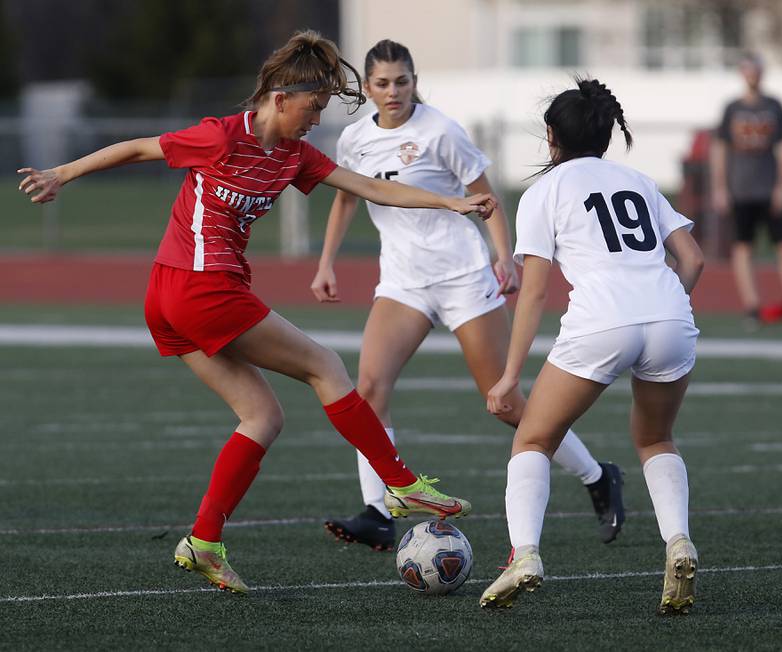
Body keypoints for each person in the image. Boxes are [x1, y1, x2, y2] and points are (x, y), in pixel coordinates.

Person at [16, 31, 494, 595]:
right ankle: (399, 483)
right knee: (326, 367)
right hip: (202, 289)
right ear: (279, 98)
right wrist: (59, 175)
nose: (316, 120)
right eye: (312, 109)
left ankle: (203, 541)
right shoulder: (221, 136)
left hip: (173, 296)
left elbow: (368, 187)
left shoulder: (294, 155)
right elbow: (140, 147)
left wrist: (451, 201)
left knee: (262, 417)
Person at [311, 40, 625, 553]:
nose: (394, 92)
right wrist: (326, 261)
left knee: (504, 404)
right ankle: (377, 512)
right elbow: (348, 196)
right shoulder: (355, 139)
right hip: (403, 282)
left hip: (463, 279)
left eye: (403, 81)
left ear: (415, 81)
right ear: (366, 88)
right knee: (367, 390)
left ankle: (596, 476)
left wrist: (504, 257)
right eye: (383, 83)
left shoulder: (440, 131)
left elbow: (487, 197)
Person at [479, 79, 705, 615]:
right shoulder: (639, 180)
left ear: (551, 137)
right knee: (654, 439)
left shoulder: (545, 191)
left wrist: (510, 376)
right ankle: (678, 543)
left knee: (533, 437)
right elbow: (692, 259)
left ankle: (526, 555)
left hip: (603, 322)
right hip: (671, 314)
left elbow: (533, 289)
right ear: (606, 134)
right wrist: (664, 305)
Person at [711, 52, 782, 330]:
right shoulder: (732, 108)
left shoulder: (774, 105)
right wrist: (721, 188)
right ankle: (752, 308)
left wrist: (780, 187)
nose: (752, 74)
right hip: (741, 190)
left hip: (768, 190)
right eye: (748, 69)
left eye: (756, 69)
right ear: (742, 72)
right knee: (743, 249)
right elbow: (720, 149)